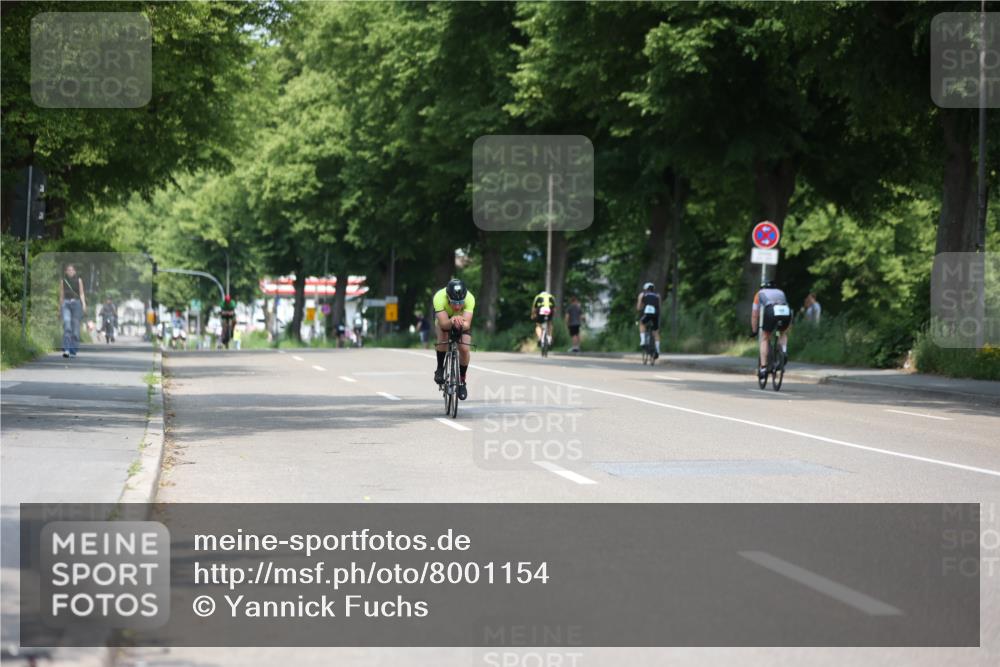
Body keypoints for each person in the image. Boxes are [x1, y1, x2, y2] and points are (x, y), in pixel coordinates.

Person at [432, 278, 475, 400]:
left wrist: (460, 323)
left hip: (462, 320)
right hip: (445, 318)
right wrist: (451, 321)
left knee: (465, 348)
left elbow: (467, 324)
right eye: (454, 302)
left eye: (460, 302)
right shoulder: (439, 297)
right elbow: (444, 324)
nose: (457, 306)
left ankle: (462, 380)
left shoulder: (470, 298)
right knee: (443, 338)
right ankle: (440, 368)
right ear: (448, 297)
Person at [751, 279, 793, 379]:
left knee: (765, 337)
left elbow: (754, 314)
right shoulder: (781, 292)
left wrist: (754, 330)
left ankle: (763, 368)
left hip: (772, 311)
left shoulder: (759, 293)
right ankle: (783, 352)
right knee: (782, 333)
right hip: (786, 311)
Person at [59, 263, 86, 358]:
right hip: (66, 304)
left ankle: (73, 349)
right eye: (68, 270)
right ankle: (66, 349)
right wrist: (60, 308)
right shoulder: (63, 281)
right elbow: (61, 295)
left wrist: (84, 305)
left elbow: (82, 293)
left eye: (72, 270)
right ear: (66, 272)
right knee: (67, 326)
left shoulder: (79, 280)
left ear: (75, 271)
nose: (70, 271)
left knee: (75, 329)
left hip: (77, 304)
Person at [636, 282, 661, 358]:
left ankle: (643, 340)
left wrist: (640, 308)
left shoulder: (642, 294)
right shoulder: (657, 295)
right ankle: (657, 350)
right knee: (656, 332)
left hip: (647, 313)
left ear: (645, 289)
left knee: (641, 323)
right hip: (655, 314)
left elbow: (638, 307)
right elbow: (659, 307)